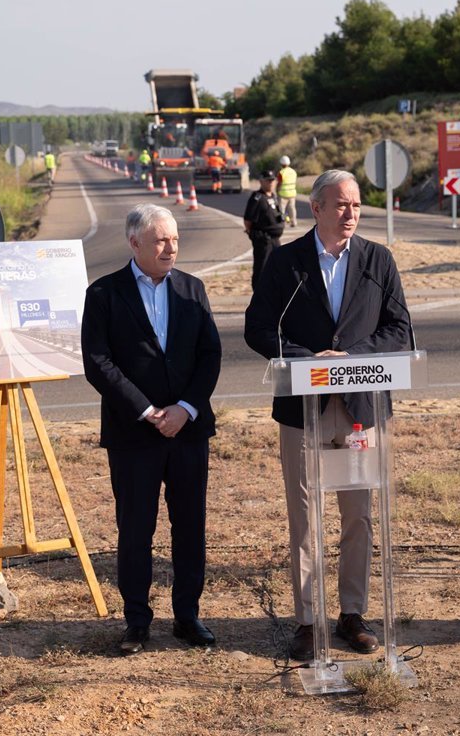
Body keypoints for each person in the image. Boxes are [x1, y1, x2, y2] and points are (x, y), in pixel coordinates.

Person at [244, 169, 411, 662]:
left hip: (362, 409)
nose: (350, 214)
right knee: (305, 519)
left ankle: (352, 614)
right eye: (340, 205)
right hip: (303, 410)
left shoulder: (378, 260)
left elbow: (399, 328)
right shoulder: (285, 262)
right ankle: (308, 619)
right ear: (315, 208)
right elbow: (259, 328)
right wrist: (306, 359)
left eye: (357, 205)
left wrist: (352, 359)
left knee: (358, 515)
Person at [81, 204, 223, 656]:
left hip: (188, 432)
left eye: (175, 239)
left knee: (190, 527)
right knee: (136, 530)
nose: (171, 247)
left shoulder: (192, 289)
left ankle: (188, 617)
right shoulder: (104, 293)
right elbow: (97, 362)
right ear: (135, 242)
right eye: (161, 239)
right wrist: (146, 411)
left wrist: (184, 408)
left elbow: (210, 355)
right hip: (133, 434)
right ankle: (137, 622)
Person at [242, 170, 285, 290]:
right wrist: (254, 235)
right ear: (261, 181)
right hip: (264, 240)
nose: (271, 183)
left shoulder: (273, 196)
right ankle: (258, 292)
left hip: (275, 239)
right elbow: (248, 219)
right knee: (261, 268)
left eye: (272, 181)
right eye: (268, 181)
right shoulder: (257, 198)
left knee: (277, 266)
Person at [278, 155, 298, 227]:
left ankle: (282, 222)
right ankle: (294, 222)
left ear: (281, 164)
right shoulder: (293, 172)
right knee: (292, 209)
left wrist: (277, 191)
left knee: (282, 209)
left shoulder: (281, 172)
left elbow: (279, 183)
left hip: (283, 194)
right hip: (292, 193)